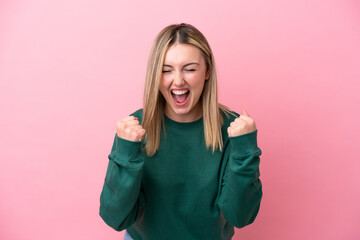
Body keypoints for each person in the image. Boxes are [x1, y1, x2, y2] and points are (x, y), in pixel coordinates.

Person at [99, 23, 262, 240]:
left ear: (207, 71)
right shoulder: (134, 129)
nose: (178, 80)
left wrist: (245, 150)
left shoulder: (232, 130)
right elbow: (115, 218)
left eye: (190, 69)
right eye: (166, 70)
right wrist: (126, 153)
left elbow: (241, 216)